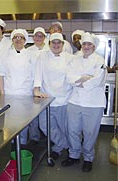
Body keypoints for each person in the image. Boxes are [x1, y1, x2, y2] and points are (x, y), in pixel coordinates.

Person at [62, 32, 107, 172]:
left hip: (94, 103)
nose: (86, 46)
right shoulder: (75, 59)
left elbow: (98, 80)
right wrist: (86, 77)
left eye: (89, 44)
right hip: (75, 101)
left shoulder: (99, 61)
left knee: (89, 132)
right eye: (84, 44)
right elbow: (69, 77)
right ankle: (74, 155)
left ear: (94, 47)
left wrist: (80, 81)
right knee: (72, 130)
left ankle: (88, 157)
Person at [34, 33, 74, 161]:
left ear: (63, 44)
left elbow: (74, 77)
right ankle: (65, 145)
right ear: (49, 44)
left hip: (64, 97)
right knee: (44, 126)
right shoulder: (43, 56)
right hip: (46, 98)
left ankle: (58, 147)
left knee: (63, 127)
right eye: (53, 42)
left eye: (59, 43)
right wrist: (36, 89)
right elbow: (38, 74)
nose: (56, 45)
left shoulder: (70, 58)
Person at [0, 29, 36, 144]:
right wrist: (2, 93)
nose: (18, 40)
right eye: (16, 37)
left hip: (25, 94)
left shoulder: (31, 55)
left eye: (21, 37)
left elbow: (35, 75)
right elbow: (0, 75)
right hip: (9, 93)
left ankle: (22, 143)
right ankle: (11, 144)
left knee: (23, 121)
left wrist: (34, 92)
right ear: (12, 40)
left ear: (25, 40)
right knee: (9, 121)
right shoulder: (5, 55)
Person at [27, 26, 49, 143]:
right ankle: (34, 137)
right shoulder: (29, 50)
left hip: (46, 86)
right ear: (33, 37)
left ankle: (48, 137)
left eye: (41, 36)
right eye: (36, 35)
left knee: (45, 116)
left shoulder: (49, 50)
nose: (39, 38)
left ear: (45, 37)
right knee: (33, 113)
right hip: (32, 86)